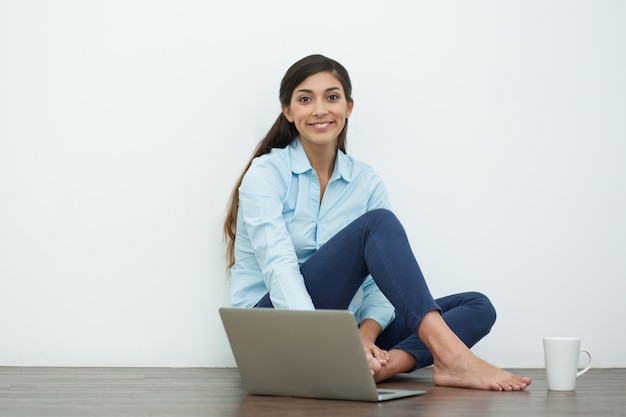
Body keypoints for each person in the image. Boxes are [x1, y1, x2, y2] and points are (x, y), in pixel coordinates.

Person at [223, 54, 531, 391]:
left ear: (348, 108)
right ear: (288, 111)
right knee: (377, 224)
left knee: (476, 306)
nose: (320, 109)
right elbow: (279, 267)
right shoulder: (266, 174)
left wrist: (362, 335)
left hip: (340, 333)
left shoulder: (366, 183)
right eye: (305, 99)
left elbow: (383, 285)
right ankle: (450, 357)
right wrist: (324, 343)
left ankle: (383, 366)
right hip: (272, 332)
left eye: (332, 97)